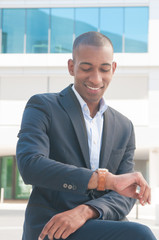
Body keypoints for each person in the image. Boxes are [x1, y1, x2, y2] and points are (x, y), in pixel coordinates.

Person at [16, 31, 156, 240]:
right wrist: (104, 180)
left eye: (104, 69)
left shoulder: (124, 126)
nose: (96, 78)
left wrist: (85, 211)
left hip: (100, 223)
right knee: (140, 235)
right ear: (72, 67)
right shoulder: (43, 106)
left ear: (113, 69)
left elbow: (124, 195)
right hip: (52, 226)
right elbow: (30, 165)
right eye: (86, 68)